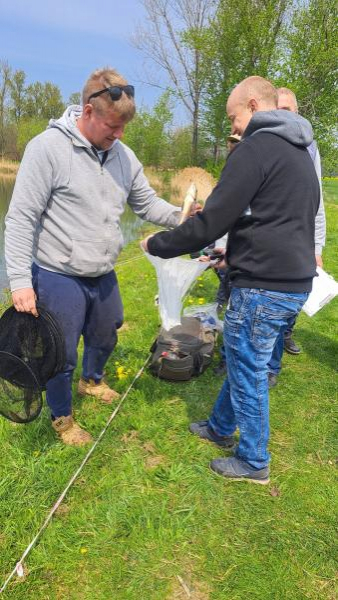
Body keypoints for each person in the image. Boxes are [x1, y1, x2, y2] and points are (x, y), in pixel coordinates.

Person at [142, 76, 319, 484]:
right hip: (292, 281)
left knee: (248, 371)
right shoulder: (299, 153)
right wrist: (234, 251)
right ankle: (220, 428)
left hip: (264, 286)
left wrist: (159, 244)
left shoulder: (255, 149)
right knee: (244, 360)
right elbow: (281, 220)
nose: (233, 128)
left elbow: (210, 222)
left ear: (253, 106)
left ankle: (254, 460)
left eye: (234, 117)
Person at [5, 67, 182, 446]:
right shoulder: (47, 149)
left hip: (102, 272)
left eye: (123, 129)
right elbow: (21, 217)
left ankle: (92, 381)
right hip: (58, 273)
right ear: (88, 112)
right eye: (112, 127)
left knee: (107, 332)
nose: (118, 136)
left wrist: (184, 218)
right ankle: (62, 419)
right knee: (60, 352)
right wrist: (20, 281)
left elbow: (146, 202)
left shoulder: (123, 155)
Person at [267, 87, 326, 386]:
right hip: (270, 239)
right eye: (277, 108)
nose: (281, 114)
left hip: (298, 237)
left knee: (288, 303)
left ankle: (273, 364)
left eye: (287, 109)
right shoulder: (262, 142)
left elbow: (317, 200)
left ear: (297, 113)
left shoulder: (310, 148)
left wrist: (316, 245)